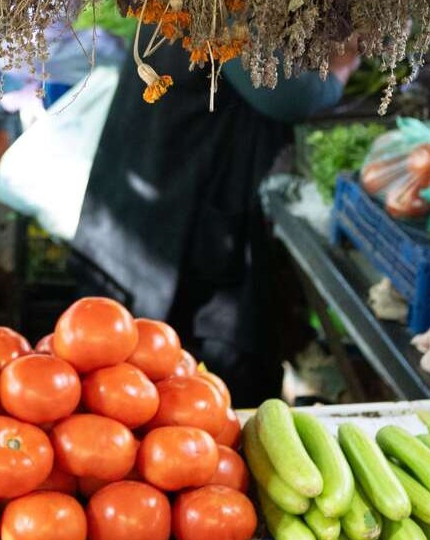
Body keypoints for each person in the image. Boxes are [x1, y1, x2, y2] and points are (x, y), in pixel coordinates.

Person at [71, 40, 354, 407]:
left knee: (136, 384)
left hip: (164, 209)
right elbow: (290, 94)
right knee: (178, 389)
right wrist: (343, 65)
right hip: (179, 228)